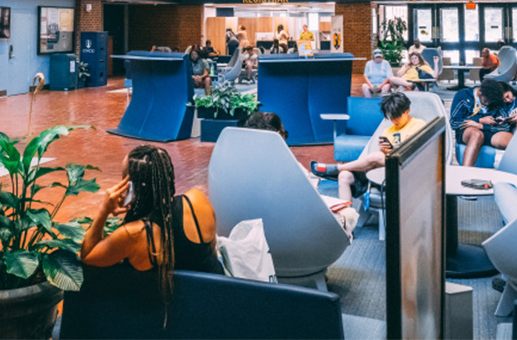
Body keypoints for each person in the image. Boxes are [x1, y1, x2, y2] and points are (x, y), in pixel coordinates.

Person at [81, 145, 223, 307]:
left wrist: (103, 210)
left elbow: (87, 256)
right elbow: (212, 252)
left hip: (175, 311)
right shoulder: (197, 201)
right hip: (216, 300)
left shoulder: (133, 234)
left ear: (130, 187)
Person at [243, 112, 358, 236]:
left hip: (246, 222)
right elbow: (309, 196)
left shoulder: (238, 161)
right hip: (289, 227)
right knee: (348, 213)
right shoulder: (288, 164)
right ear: (278, 136)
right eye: (285, 134)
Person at [309, 93, 426, 204]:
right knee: (344, 176)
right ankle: (345, 217)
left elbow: (408, 148)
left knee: (376, 156)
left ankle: (337, 168)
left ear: (407, 111)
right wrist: (385, 150)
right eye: (391, 117)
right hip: (381, 171)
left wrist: (389, 150)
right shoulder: (388, 131)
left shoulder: (418, 124)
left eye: (397, 116)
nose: (394, 120)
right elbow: (380, 159)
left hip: (404, 168)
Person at [450, 78, 514, 166]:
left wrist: (482, 126)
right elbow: (454, 122)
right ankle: (465, 173)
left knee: (512, 140)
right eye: (486, 101)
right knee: (477, 135)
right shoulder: (463, 95)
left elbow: (506, 127)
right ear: (480, 92)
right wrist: (479, 120)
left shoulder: (495, 98)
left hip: (489, 130)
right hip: (468, 130)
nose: (488, 104)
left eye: (490, 102)